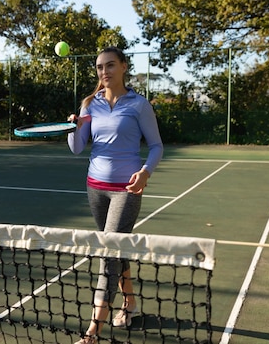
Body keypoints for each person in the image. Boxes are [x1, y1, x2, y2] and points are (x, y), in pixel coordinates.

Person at [67, 47, 163, 344]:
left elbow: (157, 146)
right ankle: (130, 303)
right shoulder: (89, 104)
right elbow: (76, 148)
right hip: (95, 187)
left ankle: (93, 330)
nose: (104, 72)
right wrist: (74, 126)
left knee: (107, 255)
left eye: (110, 65)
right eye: (99, 67)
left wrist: (146, 171)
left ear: (123, 66)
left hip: (127, 190)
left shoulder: (139, 105)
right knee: (115, 250)